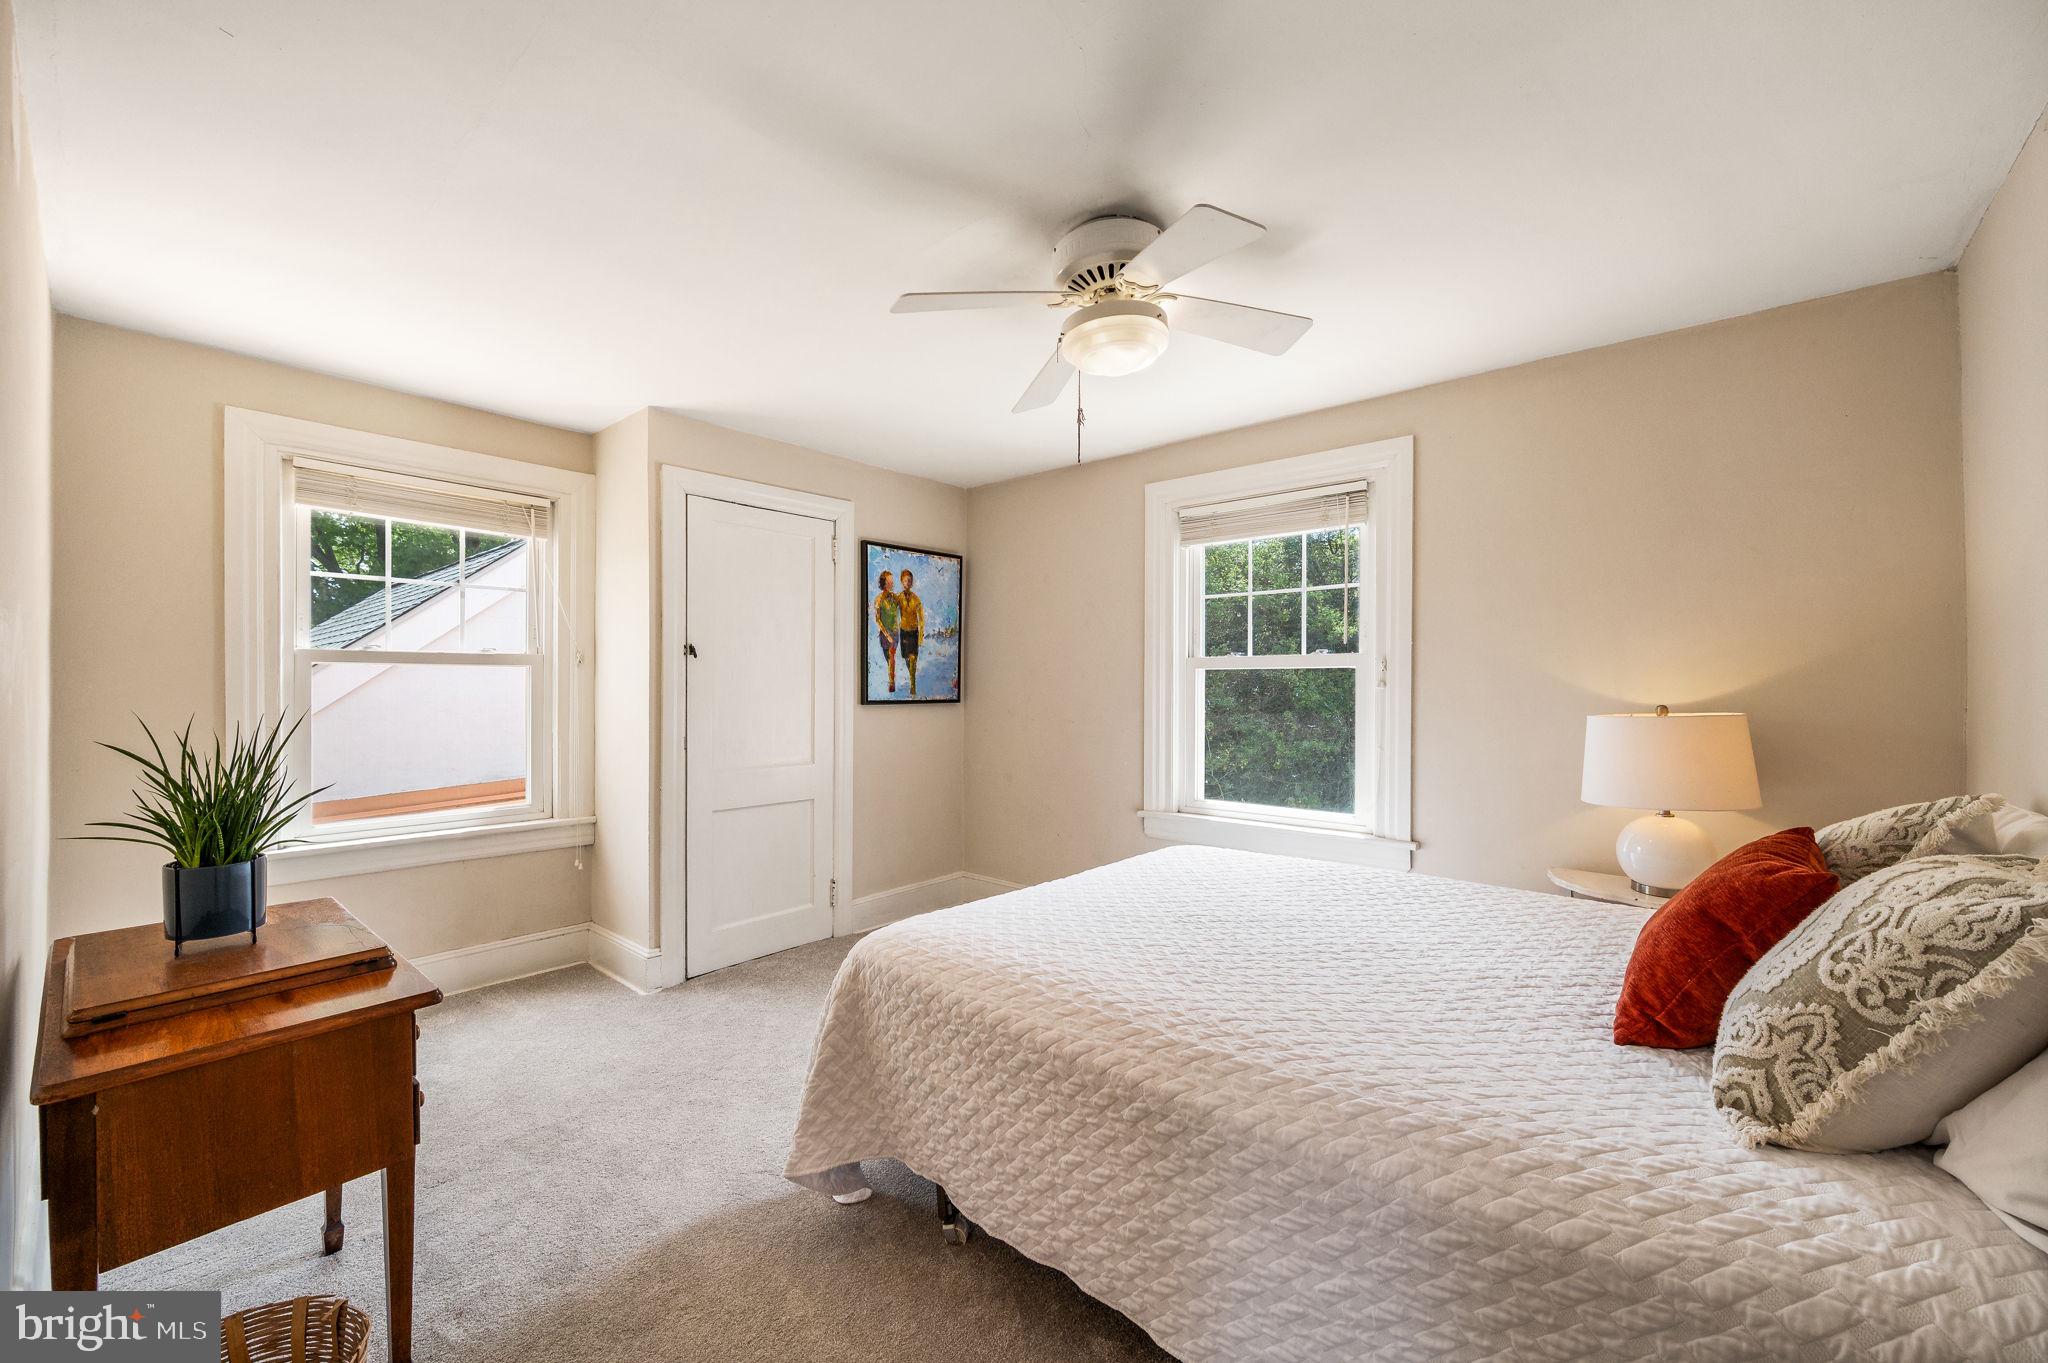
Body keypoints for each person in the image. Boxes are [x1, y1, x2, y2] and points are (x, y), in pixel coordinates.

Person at [897, 568, 925, 697]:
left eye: (910, 581)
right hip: (903, 632)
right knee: (906, 658)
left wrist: (920, 636)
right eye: (905, 580)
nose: (908, 583)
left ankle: (913, 685)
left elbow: (921, 618)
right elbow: (892, 611)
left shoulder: (916, 599)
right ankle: (911, 675)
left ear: (912, 583)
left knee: (913, 658)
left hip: (913, 632)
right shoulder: (898, 598)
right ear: (901, 582)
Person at [873, 569, 901, 693]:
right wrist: (886, 634)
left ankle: (892, 682)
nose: (892, 583)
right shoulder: (879, 600)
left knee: (892, 657)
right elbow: (878, 620)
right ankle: (891, 681)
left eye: (892, 581)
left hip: (895, 632)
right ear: (884, 583)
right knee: (889, 658)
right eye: (889, 581)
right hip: (885, 634)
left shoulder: (896, 598)